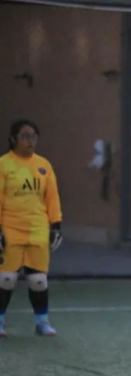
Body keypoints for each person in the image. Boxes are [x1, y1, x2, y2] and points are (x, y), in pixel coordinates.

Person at [0, 119, 64, 338]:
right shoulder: (4, 165)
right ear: (13, 139)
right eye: (25, 136)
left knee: (38, 280)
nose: (30, 141)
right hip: (10, 228)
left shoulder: (44, 165)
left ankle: (42, 323)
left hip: (38, 229)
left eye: (34, 136)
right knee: (6, 278)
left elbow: (52, 197)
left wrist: (56, 225)